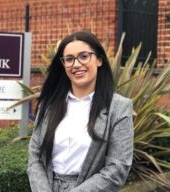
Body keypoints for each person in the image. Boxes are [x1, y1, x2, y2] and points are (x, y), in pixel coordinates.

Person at [27, 31, 134, 192]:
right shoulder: (49, 104)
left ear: (99, 59)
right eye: (69, 59)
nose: (76, 64)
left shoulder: (119, 107)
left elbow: (118, 167)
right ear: (63, 65)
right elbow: (35, 155)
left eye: (84, 56)